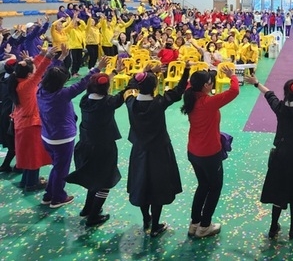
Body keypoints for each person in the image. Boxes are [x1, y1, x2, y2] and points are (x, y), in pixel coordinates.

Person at [244, 73, 293, 240]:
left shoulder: (280, 108)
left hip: (281, 155)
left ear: (286, 93)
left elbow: (268, 94)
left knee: (279, 188)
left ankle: (274, 226)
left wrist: (256, 82)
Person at [125, 64, 190, 237]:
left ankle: (146, 218)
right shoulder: (159, 102)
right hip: (160, 151)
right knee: (158, 187)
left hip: (139, 151)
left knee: (141, 184)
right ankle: (155, 225)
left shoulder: (130, 102)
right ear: (155, 88)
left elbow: (130, 86)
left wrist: (145, 72)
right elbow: (179, 90)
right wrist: (186, 70)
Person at [36, 52, 106, 209]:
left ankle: (49, 195)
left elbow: (48, 74)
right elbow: (82, 83)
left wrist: (57, 60)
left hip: (47, 136)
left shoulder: (40, 90)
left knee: (56, 166)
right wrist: (97, 68)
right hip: (62, 138)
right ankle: (57, 198)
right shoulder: (62, 95)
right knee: (61, 169)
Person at [181, 66, 240, 238]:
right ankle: (205, 226)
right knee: (215, 188)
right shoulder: (207, 102)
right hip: (209, 154)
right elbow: (234, 91)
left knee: (203, 185)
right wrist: (232, 75)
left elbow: (189, 83)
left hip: (193, 151)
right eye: (210, 81)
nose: (212, 83)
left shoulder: (190, 96)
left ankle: (194, 223)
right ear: (206, 86)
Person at [65, 69, 126, 226]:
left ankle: (87, 208)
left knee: (93, 177)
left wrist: (111, 73)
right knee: (105, 180)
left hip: (85, 146)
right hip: (103, 148)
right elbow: (122, 95)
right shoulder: (109, 103)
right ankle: (93, 216)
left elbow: (99, 86)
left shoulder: (85, 101)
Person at [8, 46, 61, 191]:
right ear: (28, 74)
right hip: (30, 125)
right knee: (34, 155)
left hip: (23, 123)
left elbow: (33, 70)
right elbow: (39, 72)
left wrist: (37, 57)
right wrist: (48, 57)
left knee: (27, 155)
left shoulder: (18, 81)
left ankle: (26, 181)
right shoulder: (26, 85)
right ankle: (32, 184)